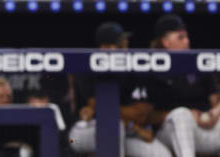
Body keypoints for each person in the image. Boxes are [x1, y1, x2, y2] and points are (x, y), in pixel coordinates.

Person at [69, 22, 172, 157]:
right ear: (105, 47)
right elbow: (104, 112)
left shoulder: (133, 70)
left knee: (161, 154)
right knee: (113, 125)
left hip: (127, 130)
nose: (125, 48)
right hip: (80, 135)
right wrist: (130, 121)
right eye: (120, 45)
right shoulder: (87, 69)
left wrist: (131, 124)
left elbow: (141, 114)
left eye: (125, 44)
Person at [149, 15, 220, 157]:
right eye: (180, 38)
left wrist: (213, 114)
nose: (187, 41)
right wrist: (188, 114)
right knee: (182, 115)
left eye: (187, 37)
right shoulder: (153, 69)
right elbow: (147, 116)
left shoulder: (197, 63)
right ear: (165, 42)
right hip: (169, 133)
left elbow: (215, 99)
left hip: (203, 126)